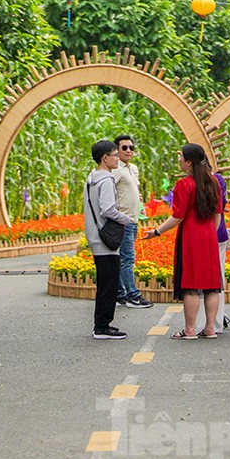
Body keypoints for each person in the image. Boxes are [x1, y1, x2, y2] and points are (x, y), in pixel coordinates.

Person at [144, 142, 224, 338]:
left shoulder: (184, 185)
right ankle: (210, 328)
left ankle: (189, 330)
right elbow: (218, 214)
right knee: (212, 284)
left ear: (189, 162)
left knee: (191, 285)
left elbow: (178, 216)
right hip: (209, 237)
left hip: (191, 236)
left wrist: (157, 231)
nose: (178, 160)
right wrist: (210, 235)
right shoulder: (213, 182)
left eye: (180, 157)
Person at [84, 140, 133, 340]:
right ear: (105, 158)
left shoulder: (91, 179)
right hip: (106, 239)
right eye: (115, 155)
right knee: (108, 284)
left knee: (105, 283)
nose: (118, 159)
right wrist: (127, 219)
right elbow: (108, 209)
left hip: (96, 237)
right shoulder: (105, 181)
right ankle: (102, 326)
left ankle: (101, 324)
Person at [110, 133, 152, 308]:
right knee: (128, 259)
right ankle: (132, 295)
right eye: (124, 148)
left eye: (131, 148)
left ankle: (120, 294)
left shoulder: (132, 169)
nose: (128, 151)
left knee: (122, 258)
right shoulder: (115, 170)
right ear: (116, 151)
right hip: (123, 220)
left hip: (133, 220)